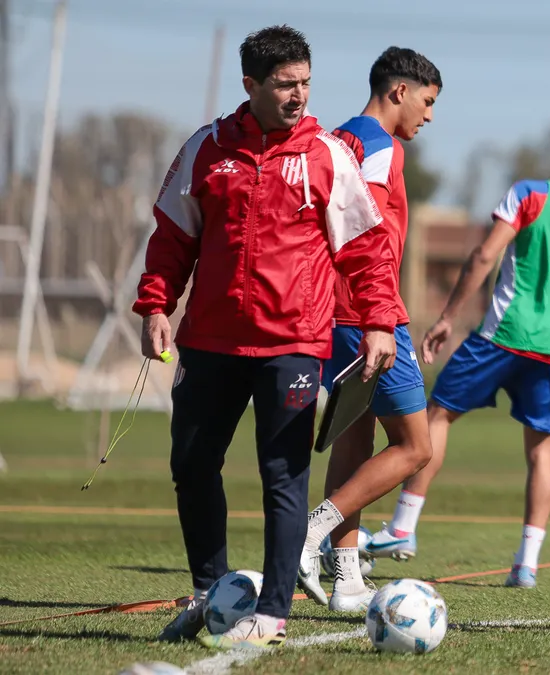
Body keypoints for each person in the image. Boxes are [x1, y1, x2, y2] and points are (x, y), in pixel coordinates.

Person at [133, 25, 399, 649]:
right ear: (251, 84)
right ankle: (208, 592)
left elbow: (366, 250)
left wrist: (380, 321)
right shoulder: (206, 149)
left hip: (293, 343)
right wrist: (154, 305)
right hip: (210, 343)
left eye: (305, 82)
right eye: (284, 84)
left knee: (283, 475)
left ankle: (272, 613)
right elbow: (173, 238)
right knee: (192, 464)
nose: (298, 95)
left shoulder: (329, 154)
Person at [365, 120, 550, 588]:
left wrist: (447, 317)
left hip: (501, 335)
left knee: (436, 417)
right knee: (542, 449)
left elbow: (484, 256)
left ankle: (402, 528)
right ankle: (527, 563)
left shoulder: (529, 193)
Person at [294, 48, 442, 612]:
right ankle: (308, 536)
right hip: (368, 316)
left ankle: (347, 576)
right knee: (415, 446)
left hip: (327, 313)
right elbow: (369, 233)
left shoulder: (331, 141)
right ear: (398, 92)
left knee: (352, 442)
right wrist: (381, 315)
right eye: (427, 103)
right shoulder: (383, 148)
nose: (428, 117)